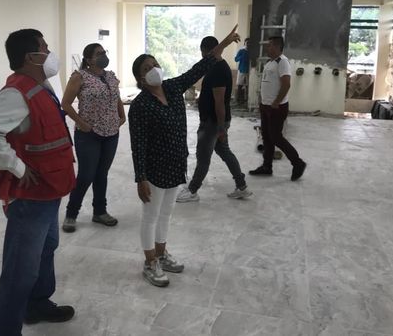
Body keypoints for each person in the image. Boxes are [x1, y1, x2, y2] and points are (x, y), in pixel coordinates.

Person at [0, 29, 75, 335]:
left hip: (49, 187)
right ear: (32, 57)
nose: (50, 53)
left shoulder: (39, 86)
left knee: (47, 247)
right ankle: (5, 330)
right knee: (21, 267)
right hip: (30, 196)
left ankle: (37, 304)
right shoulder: (17, 93)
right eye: (45, 48)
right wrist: (16, 167)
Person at [128, 25, 241, 287]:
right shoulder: (141, 105)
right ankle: (150, 262)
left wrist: (223, 44)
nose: (154, 69)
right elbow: (138, 144)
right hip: (154, 169)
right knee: (151, 215)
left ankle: (161, 253)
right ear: (140, 78)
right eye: (147, 68)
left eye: (155, 64)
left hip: (176, 163)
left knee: (166, 213)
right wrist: (140, 178)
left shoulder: (172, 87)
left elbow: (199, 68)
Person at [176, 36, 252, 203]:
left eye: (202, 52)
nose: (202, 56)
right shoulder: (215, 67)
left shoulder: (218, 69)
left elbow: (219, 102)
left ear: (206, 51)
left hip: (213, 122)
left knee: (203, 156)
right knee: (224, 151)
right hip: (215, 121)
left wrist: (221, 128)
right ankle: (242, 186)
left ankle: (192, 190)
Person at [61, 43, 125, 232]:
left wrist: (122, 116)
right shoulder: (79, 77)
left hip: (111, 133)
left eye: (104, 52)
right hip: (89, 134)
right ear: (88, 59)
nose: (103, 55)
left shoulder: (110, 76)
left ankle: (100, 211)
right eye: (99, 54)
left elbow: (116, 97)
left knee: (101, 174)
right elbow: (66, 103)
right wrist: (81, 123)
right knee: (86, 175)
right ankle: (71, 213)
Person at [249, 36, 307, 180]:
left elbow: (286, 84)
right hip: (266, 106)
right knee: (267, 137)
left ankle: (298, 163)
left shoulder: (283, 62)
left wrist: (276, 101)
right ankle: (266, 166)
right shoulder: (270, 63)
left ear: (276, 46)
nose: (267, 48)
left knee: (276, 137)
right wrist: (262, 101)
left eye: (269, 45)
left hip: (276, 107)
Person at [234, 38, 250, 105]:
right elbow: (236, 59)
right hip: (241, 70)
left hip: (249, 71)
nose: (248, 44)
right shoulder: (241, 51)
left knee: (248, 86)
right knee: (240, 85)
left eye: (249, 43)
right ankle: (239, 101)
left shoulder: (252, 52)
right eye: (247, 43)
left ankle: (247, 100)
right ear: (244, 43)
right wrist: (241, 57)